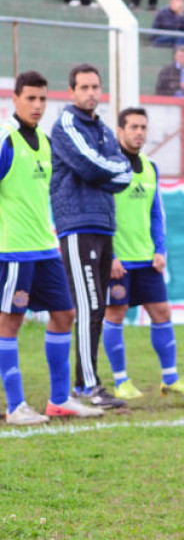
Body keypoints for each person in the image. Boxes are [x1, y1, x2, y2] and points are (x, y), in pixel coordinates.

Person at [0, 72, 105, 425]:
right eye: (30, 98)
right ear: (14, 99)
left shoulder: (45, 143)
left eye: (43, 99)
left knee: (64, 315)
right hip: (13, 250)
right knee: (9, 322)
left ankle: (59, 400)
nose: (37, 105)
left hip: (45, 249)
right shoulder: (5, 139)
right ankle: (16, 407)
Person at [102, 108, 184, 402]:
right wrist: (109, 256)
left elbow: (156, 214)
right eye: (133, 127)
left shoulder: (150, 167)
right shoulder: (109, 167)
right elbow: (101, 213)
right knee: (116, 314)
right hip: (119, 261)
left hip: (147, 258)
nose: (139, 132)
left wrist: (160, 250)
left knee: (162, 313)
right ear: (120, 131)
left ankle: (171, 379)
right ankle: (121, 381)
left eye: (143, 127)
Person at [50, 64, 132, 410]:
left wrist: (109, 168)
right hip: (78, 225)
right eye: (83, 87)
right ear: (71, 91)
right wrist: (110, 168)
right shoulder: (65, 124)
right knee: (88, 306)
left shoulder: (101, 128)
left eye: (95, 87)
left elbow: (124, 171)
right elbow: (91, 166)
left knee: (99, 306)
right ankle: (85, 385)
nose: (91, 93)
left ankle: (90, 382)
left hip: (102, 224)